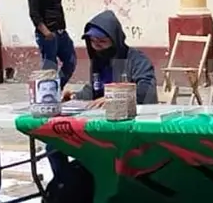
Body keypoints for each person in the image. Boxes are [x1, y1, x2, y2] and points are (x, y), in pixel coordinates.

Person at [50, 10, 157, 180]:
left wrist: (115, 97)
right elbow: (94, 91)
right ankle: (63, 183)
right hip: (98, 125)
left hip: (128, 128)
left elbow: (146, 89)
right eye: (93, 42)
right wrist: (74, 97)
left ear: (115, 40)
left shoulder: (135, 60)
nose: (97, 46)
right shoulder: (99, 62)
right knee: (53, 142)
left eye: (102, 41)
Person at [27, 0, 76, 87]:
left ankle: (56, 88)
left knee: (70, 61)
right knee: (50, 66)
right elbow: (34, 14)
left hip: (61, 32)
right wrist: (46, 32)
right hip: (48, 34)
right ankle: (46, 92)